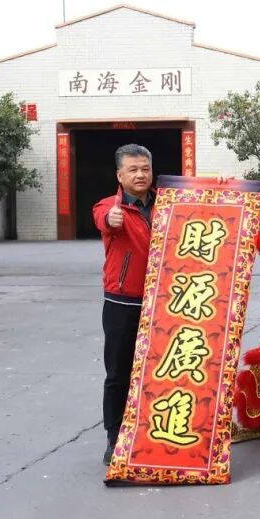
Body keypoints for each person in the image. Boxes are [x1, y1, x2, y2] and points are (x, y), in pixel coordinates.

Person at [93, 144, 155, 465]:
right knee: (119, 372)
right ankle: (114, 436)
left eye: (145, 168)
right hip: (122, 302)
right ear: (120, 175)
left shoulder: (168, 204)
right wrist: (111, 218)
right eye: (133, 169)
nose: (140, 174)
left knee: (159, 371)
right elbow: (103, 219)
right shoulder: (109, 206)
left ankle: (152, 433)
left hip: (164, 302)